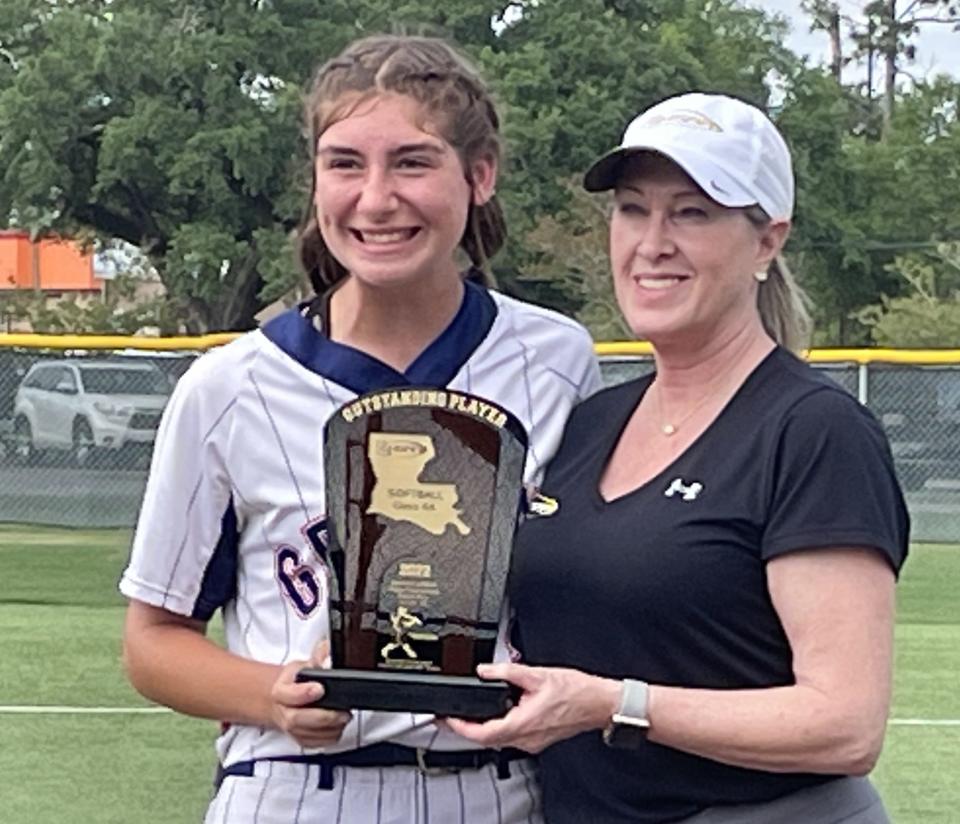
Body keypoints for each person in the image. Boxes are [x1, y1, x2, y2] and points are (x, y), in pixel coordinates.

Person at [119, 35, 600, 824]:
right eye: (345, 164)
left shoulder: (555, 360)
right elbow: (152, 640)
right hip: (296, 787)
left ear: (480, 175)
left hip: (499, 788)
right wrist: (272, 696)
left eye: (412, 162)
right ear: (315, 181)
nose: (376, 198)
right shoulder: (231, 386)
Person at [446, 92, 909, 823]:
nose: (652, 241)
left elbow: (844, 724)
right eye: (633, 209)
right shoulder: (590, 422)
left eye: (692, 212)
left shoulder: (814, 431)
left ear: (767, 242)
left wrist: (614, 704)